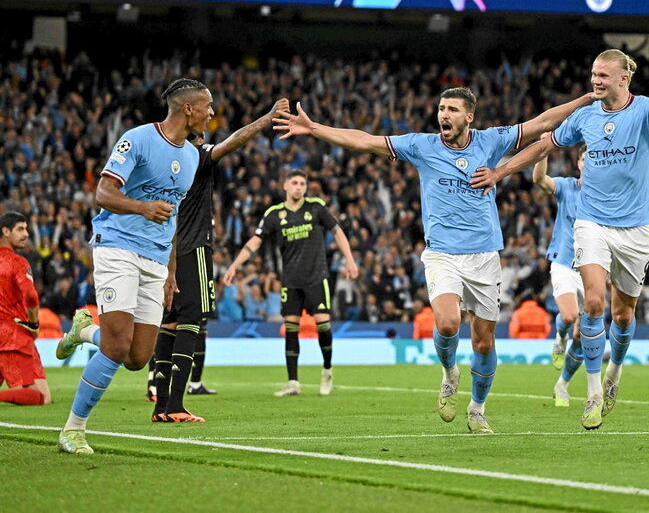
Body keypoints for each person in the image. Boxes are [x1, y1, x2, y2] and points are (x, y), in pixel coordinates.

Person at [273, 87, 595, 433]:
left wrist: (583, 101)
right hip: (442, 253)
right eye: (441, 108)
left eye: (453, 109)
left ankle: (477, 408)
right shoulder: (422, 145)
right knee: (446, 324)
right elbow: (365, 141)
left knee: (484, 342)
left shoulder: (490, 141)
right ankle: (449, 373)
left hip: (485, 255)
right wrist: (316, 128)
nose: (444, 114)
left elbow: (541, 123)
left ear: (468, 117)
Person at [471, 50, 649, 429]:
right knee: (595, 302)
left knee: (623, 313)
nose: (595, 80)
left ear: (623, 79)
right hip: (593, 223)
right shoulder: (584, 117)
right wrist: (500, 172)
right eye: (592, 74)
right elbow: (544, 145)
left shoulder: (647, 110)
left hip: (637, 229)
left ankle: (614, 372)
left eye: (603, 75)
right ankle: (593, 392)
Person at [56, 78, 210, 454]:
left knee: (138, 358)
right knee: (116, 346)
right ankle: (72, 430)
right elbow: (103, 193)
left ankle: (84, 330)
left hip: (157, 260)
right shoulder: (137, 139)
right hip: (118, 247)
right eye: (207, 105)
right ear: (187, 108)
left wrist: (172, 271)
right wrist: (142, 207)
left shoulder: (191, 155)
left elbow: (171, 217)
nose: (211, 112)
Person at [148, 97, 289, 423]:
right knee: (191, 322)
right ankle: (176, 406)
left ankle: (161, 406)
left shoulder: (167, 160)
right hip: (194, 247)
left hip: (167, 250)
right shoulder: (196, 156)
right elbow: (233, 142)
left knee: (169, 324)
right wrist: (266, 118)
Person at [222, 170, 359, 397]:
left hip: (316, 277)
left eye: (302, 183)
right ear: (285, 186)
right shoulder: (274, 214)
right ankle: (293, 382)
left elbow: (337, 231)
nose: (299, 187)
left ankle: (327, 369)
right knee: (291, 329)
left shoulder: (316, 207)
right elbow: (255, 242)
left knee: (323, 325)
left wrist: (350, 261)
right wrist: (235, 265)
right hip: (291, 280)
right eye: (294, 183)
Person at [532, 144, 586, 407]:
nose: (590, 163)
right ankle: (560, 337)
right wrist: (543, 151)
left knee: (584, 336)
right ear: (579, 163)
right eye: (586, 159)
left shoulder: (606, 195)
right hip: (564, 264)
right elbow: (539, 180)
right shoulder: (567, 187)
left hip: (592, 270)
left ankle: (562, 385)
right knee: (569, 315)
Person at [0, 211, 50, 406]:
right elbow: (30, 295)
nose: (26, 233)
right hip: (12, 336)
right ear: (5, 231)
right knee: (41, 397)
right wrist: (34, 322)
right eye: (20, 229)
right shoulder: (17, 262)